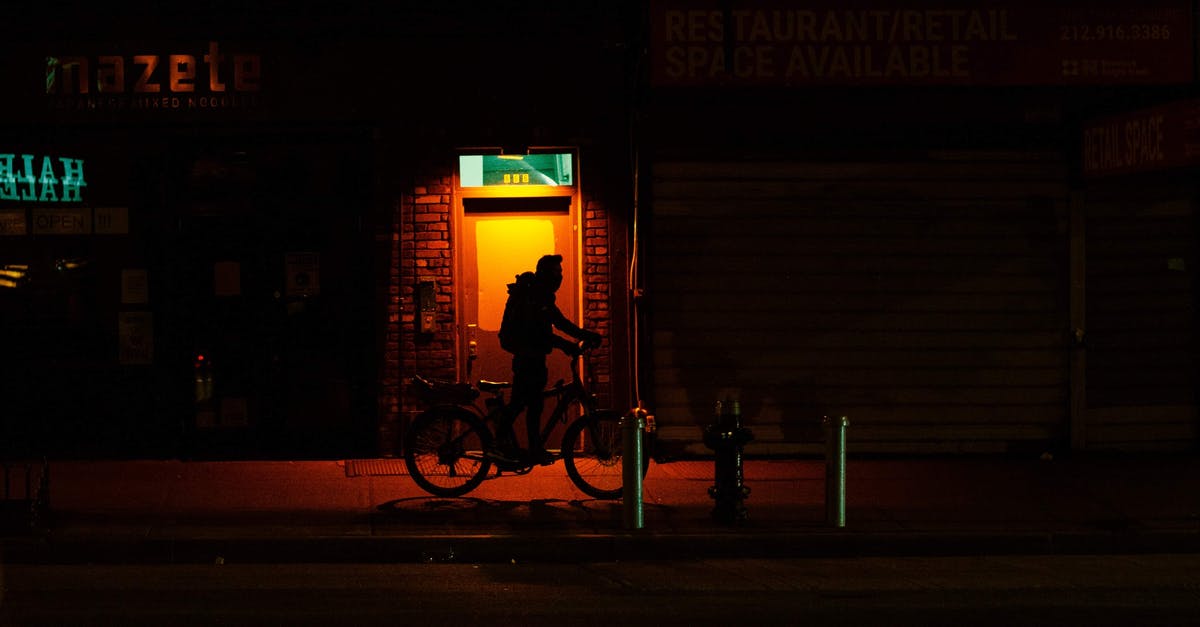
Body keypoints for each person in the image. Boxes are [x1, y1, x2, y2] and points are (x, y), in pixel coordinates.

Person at [492, 254, 601, 465]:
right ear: (545, 273)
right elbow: (540, 334)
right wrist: (567, 346)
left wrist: (586, 335)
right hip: (527, 358)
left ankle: (532, 449)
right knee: (525, 403)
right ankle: (500, 445)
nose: (559, 276)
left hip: (535, 357)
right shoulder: (532, 297)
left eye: (560, 272)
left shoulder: (542, 296)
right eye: (556, 272)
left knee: (533, 405)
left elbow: (560, 322)